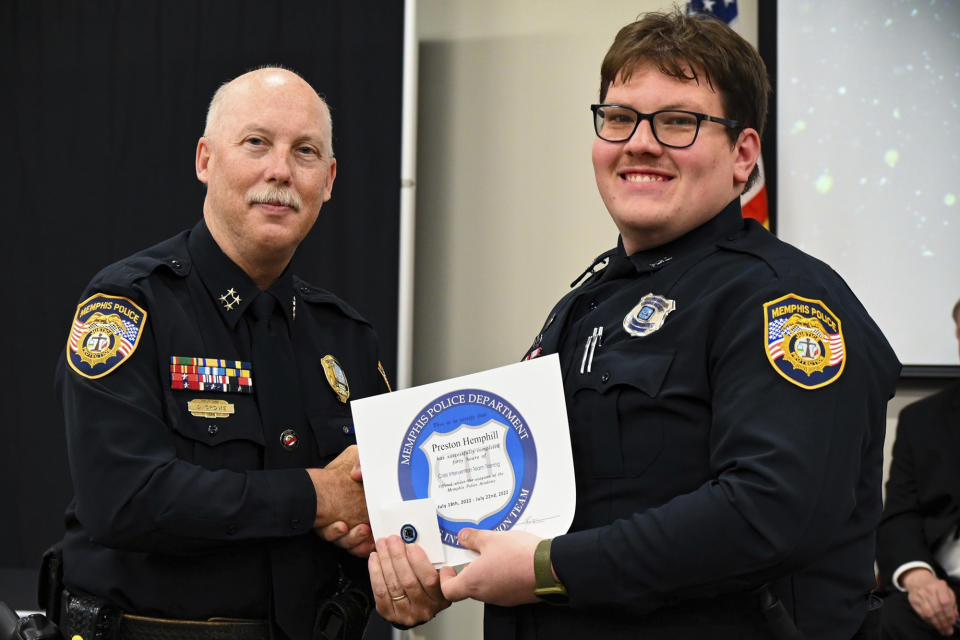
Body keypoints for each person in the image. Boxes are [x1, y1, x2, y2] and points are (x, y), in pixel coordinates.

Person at [368, 9, 901, 640]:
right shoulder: (590, 300)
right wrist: (427, 554)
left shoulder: (781, 301)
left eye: (678, 122)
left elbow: (767, 513)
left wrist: (546, 569)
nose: (639, 142)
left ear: (742, 155)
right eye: (619, 118)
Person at [55, 67, 389, 640]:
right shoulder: (129, 305)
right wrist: (315, 497)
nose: (279, 170)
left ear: (329, 180)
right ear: (206, 160)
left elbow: (380, 497)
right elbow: (123, 499)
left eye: (304, 151)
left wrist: (375, 527)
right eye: (256, 142)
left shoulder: (346, 336)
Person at [877, 299, 960, 638]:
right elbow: (899, 515)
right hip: (945, 586)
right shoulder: (922, 420)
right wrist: (918, 577)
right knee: (887, 620)